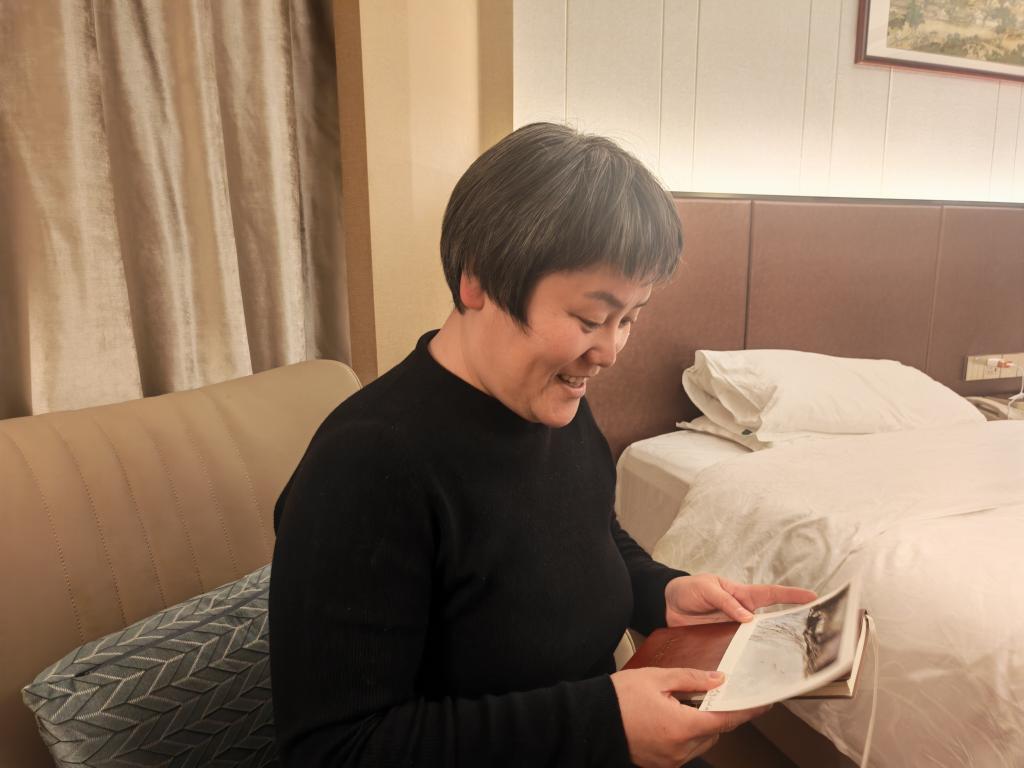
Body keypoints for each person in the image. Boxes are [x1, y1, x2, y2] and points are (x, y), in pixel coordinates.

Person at [269, 122, 815, 767]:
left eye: (629, 319)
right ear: (476, 280)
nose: (610, 351)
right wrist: (600, 722)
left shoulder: (553, 402)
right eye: (590, 318)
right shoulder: (369, 466)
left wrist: (662, 594)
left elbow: (586, 532)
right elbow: (335, 748)